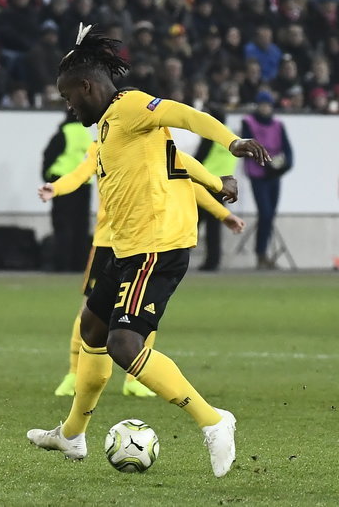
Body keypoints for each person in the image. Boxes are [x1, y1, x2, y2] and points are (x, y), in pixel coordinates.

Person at [28, 24, 269, 478]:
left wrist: (231, 143)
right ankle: (72, 433)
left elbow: (184, 115)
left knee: (123, 344)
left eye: (68, 96)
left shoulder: (131, 105)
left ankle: (214, 421)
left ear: (86, 86)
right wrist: (216, 184)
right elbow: (174, 159)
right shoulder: (109, 127)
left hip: (155, 249)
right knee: (91, 327)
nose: (68, 105)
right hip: (127, 250)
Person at [42, 142, 246, 398]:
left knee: (144, 310)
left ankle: (134, 379)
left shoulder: (154, 148)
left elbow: (187, 181)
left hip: (144, 242)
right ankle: (74, 374)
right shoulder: (101, 147)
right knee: (90, 310)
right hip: (108, 241)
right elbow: (80, 174)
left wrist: (221, 213)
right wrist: (56, 188)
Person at [242, 91, 294, 269]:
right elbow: (248, 147)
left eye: (268, 105)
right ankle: (261, 252)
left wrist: (285, 165)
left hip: (274, 174)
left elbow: (287, 148)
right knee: (264, 212)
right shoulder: (249, 122)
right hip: (258, 173)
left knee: (270, 214)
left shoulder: (278, 125)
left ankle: (264, 251)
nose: (265, 108)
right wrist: (267, 163)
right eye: (263, 105)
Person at [41, 109, 92, 272]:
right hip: (84, 185)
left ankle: (62, 264)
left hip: (63, 182)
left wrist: (46, 175)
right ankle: (79, 264)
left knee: (63, 224)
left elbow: (49, 155)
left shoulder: (64, 132)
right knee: (81, 225)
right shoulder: (86, 133)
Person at [194, 106, 240, 271]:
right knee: (215, 225)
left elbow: (199, 158)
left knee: (193, 222)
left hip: (207, 183)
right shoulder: (231, 136)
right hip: (224, 185)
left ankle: (178, 257)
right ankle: (213, 260)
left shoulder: (211, 134)